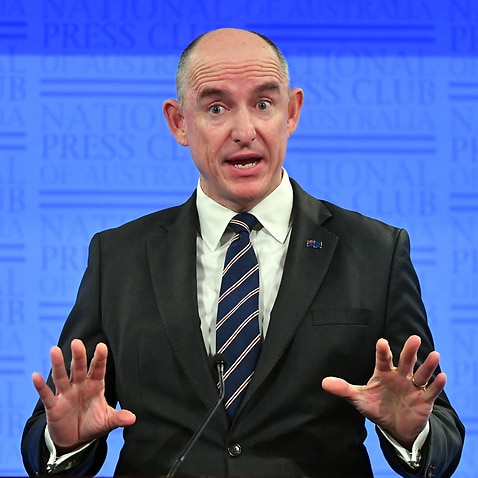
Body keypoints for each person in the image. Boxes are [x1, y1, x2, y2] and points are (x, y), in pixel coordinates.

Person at [22, 28, 464, 478]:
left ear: (291, 113)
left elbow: (441, 430)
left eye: (263, 104)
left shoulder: (376, 252)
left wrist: (413, 434)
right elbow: (60, 418)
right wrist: (64, 441)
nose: (244, 131)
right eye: (216, 108)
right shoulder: (117, 256)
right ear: (179, 123)